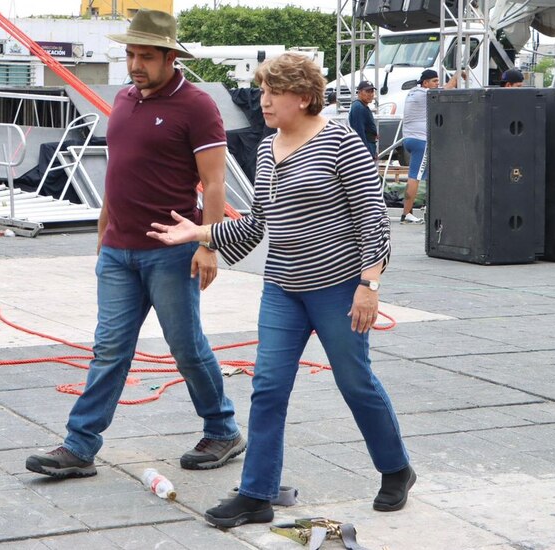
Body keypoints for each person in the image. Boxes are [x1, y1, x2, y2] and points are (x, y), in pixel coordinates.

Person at [146, 53, 414, 528]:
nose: (263, 101)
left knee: (355, 383)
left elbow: (373, 222)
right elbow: (258, 227)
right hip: (283, 289)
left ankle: (396, 470)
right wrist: (200, 234)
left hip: (338, 288)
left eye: (274, 93)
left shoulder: (341, 144)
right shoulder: (268, 149)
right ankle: (256, 494)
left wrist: (369, 286)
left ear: (304, 97)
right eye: (263, 91)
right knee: (268, 388)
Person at [25, 9, 244, 480]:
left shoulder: (198, 106)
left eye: (146, 56)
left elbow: (216, 184)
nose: (135, 64)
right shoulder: (124, 100)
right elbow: (117, 174)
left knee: (185, 347)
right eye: (130, 54)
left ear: (170, 57)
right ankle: (80, 447)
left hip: (171, 251)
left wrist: (209, 246)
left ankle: (223, 431)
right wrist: (103, 235)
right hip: (118, 253)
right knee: (109, 349)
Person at [399, 68, 460, 224]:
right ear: (425, 83)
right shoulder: (424, 94)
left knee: (424, 175)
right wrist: (457, 75)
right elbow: (445, 91)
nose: (437, 84)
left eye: (437, 81)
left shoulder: (413, 92)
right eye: (434, 81)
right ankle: (406, 214)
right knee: (415, 177)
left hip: (409, 139)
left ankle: (419, 209)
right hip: (421, 140)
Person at [348, 80, 378, 158]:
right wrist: (365, 151)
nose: (370, 94)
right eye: (367, 91)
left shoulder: (362, 106)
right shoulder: (358, 107)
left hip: (368, 144)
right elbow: (359, 131)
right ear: (359, 92)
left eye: (372, 91)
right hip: (363, 147)